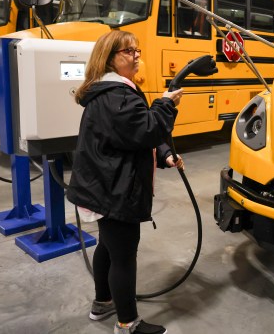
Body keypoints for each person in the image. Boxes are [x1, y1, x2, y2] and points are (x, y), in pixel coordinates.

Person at [67, 30, 184, 334]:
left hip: (102, 185)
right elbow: (145, 129)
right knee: (123, 255)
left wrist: (166, 154)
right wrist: (166, 104)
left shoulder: (110, 92)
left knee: (107, 245)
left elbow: (131, 136)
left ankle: (103, 302)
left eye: (137, 50)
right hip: (114, 189)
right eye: (128, 52)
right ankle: (127, 323)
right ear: (109, 58)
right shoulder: (117, 95)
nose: (136, 57)